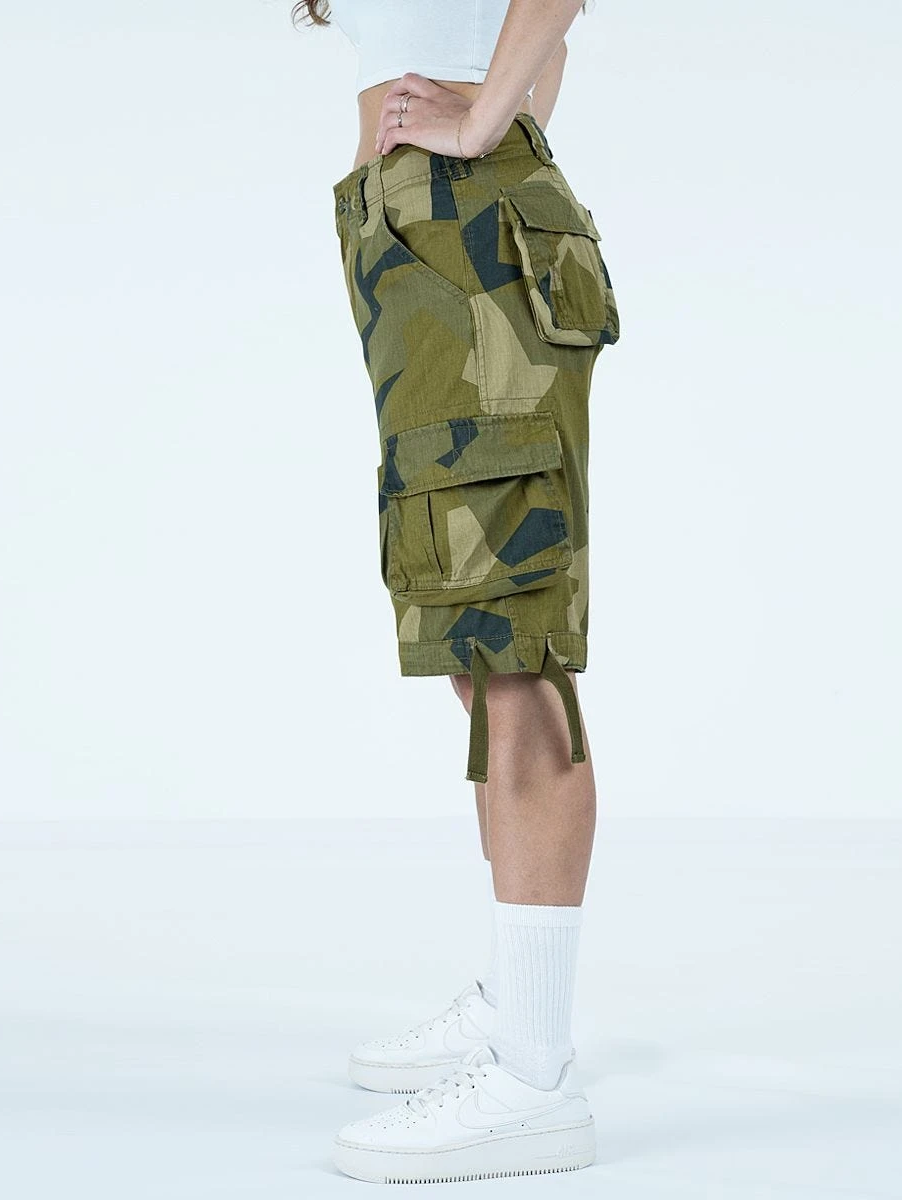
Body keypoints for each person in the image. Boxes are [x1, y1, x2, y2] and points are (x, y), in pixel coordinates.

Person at [296, 0, 621, 1183]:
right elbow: (539, 46)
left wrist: (484, 128)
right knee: (472, 641)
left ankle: (532, 1078)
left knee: (513, 647)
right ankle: (511, 1003)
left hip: (466, 232)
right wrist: (488, 121)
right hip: (421, 242)